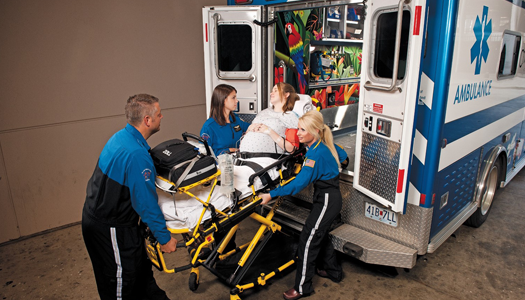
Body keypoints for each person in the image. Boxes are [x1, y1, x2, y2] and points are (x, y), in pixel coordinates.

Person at [82, 94, 177, 300]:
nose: (162, 116)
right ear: (147, 120)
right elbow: (145, 204)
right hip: (111, 228)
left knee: (141, 275)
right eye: (159, 114)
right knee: (121, 286)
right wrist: (164, 238)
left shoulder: (121, 137)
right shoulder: (136, 155)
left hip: (111, 220)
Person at [260, 110, 348, 300]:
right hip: (327, 197)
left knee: (308, 240)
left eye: (302, 130)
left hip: (326, 200)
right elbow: (344, 156)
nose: (298, 133)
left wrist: (271, 194)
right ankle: (333, 271)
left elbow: (298, 185)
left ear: (315, 131)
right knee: (319, 235)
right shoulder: (323, 144)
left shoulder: (315, 154)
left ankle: (302, 288)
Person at [240, 82, 301, 155]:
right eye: (272, 91)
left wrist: (269, 131)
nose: (271, 93)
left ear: (286, 95)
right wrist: (249, 128)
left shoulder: (290, 116)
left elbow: (291, 149)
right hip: (242, 156)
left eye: (275, 90)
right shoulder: (263, 113)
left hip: (267, 160)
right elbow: (248, 135)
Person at [200, 84, 250, 155]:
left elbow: (250, 127)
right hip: (221, 164)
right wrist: (229, 150)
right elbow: (204, 152)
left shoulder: (236, 119)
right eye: (233, 98)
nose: (237, 101)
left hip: (239, 160)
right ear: (223, 100)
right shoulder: (209, 126)